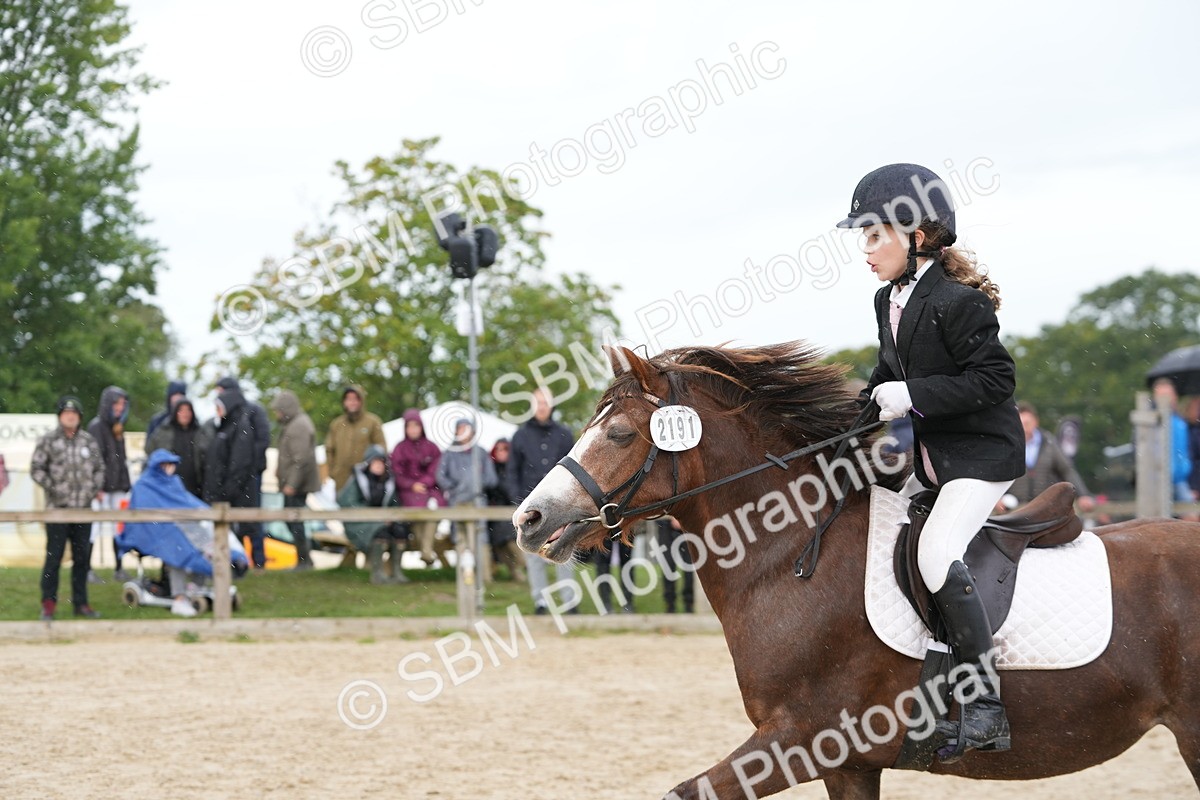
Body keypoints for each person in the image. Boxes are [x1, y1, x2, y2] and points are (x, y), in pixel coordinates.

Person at [841, 163, 1025, 760]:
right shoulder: (886, 300)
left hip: (980, 457)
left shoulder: (958, 301)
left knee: (936, 552)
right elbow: (883, 378)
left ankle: (987, 703)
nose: (865, 251)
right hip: (932, 457)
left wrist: (915, 396)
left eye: (874, 236)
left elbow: (995, 379)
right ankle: (937, 698)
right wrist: (843, 435)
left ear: (917, 236)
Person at [119, 450, 251, 617]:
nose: (170, 469)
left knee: (204, 542)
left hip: (179, 527)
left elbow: (186, 503)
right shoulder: (144, 486)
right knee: (177, 550)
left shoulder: (173, 483)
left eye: (172, 464)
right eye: (166, 465)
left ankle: (197, 585)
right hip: (153, 533)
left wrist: (203, 515)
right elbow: (142, 516)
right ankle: (179, 598)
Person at [31, 396, 105, 620]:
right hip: (57, 510)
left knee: (82, 559)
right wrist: (54, 488)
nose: (70, 417)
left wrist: (92, 490)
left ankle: (81, 604)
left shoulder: (88, 441)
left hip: (83, 510)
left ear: (80, 418)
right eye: (66, 413)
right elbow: (37, 469)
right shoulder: (48, 440)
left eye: (74, 414)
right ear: (60, 416)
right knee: (54, 558)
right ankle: (48, 604)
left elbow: (100, 468)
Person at [506, 387, 577, 614]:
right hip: (530, 505)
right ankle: (541, 602)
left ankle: (569, 601)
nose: (542, 406)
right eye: (537, 402)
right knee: (534, 554)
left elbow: (573, 469)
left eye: (545, 402)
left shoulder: (564, 434)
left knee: (563, 549)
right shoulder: (520, 436)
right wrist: (520, 503)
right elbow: (512, 472)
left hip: (561, 505)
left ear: (552, 405)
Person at [204, 383, 266, 571]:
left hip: (237, 491)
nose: (216, 411)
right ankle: (237, 565)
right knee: (234, 531)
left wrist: (228, 489)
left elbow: (240, 462)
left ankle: (250, 564)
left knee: (246, 528)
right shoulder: (226, 427)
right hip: (229, 490)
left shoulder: (241, 425)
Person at [1003, 402, 1095, 512]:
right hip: (1013, 509)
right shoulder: (1007, 445)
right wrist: (997, 499)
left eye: (1027, 423)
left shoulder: (1049, 443)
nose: (1024, 428)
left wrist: (1082, 495)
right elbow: (997, 472)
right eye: (1020, 423)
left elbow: (1067, 470)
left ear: (1036, 422)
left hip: (1046, 508)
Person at [337, 445, 409, 584]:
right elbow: (347, 503)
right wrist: (376, 517)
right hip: (359, 523)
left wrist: (392, 518)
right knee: (381, 533)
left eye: (381, 461)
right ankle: (377, 574)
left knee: (400, 531)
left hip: (383, 521)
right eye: (375, 461)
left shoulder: (388, 482)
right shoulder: (357, 481)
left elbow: (395, 505)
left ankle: (396, 572)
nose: (378, 465)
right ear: (369, 463)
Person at [436, 418, 498, 578]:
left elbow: (491, 478)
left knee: (481, 537)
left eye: (467, 428)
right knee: (460, 536)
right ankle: (464, 576)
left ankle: (484, 577)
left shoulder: (481, 453)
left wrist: (476, 485)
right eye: (460, 428)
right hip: (457, 502)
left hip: (478, 502)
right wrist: (457, 487)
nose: (464, 431)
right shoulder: (449, 454)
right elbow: (440, 477)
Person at [391, 408, 450, 568]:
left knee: (431, 514)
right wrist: (412, 485)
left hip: (429, 490)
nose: (413, 429)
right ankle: (426, 551)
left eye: (416, 426)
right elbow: (397, 473)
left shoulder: (431, 447)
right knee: (417, 519)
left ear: (421, 427)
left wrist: (423, 483)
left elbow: (435, 469)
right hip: (408, 493)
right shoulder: (399, 449)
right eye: (409, 426)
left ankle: (426, 551)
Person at [271, 390, 321, 570]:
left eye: (278, 410)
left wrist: (292, 483)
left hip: (297, 485)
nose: (276, 414)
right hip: (294, 483)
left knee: (294, 519)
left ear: (286, 409)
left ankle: (304, 560)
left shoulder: (298, 425)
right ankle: (304, 559)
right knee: (292, 519)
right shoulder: (294, 423)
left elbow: (301, 459)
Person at [87, 385, 132, 582]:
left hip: (117, 488)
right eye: (117, 403)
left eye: (123, 403)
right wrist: (97, 487)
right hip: (101, 489)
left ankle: (119, 568)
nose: (121, 407)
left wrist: (125, 484)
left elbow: (121, 460)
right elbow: (94, 461)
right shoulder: (96, 427)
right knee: (94, 527)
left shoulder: (118, 428)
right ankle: (86, 569)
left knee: (118, 527)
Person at [325, 385, 387, 495]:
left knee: (364, 511)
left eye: (355, 399)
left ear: (361, 401)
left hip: (366, 480)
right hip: (341, 479)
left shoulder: (373, 422)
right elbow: (329, 450)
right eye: (349, 399)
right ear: (344, 402)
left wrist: (372, 470)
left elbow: (381, 448)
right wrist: (333, 472)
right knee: (342, 509)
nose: (352, 402)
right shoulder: (337, 424)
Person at [146, 397, 206, 498]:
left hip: (195, 486)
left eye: (188, 410)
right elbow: (150, 451)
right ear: (175, 412)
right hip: (168, 485)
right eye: (181, 410)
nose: (185, 413)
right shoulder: (163, 431)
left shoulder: (200, 432)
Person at [485, 439, 526, 583]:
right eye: (499, 449)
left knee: (511, 541)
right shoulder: (489, 470)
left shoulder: (515, 470)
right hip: (494, 516)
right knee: (502, 544)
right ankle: (516, 571)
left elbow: (514, 492)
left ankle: (522, 567)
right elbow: (492, 490)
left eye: (505, 449)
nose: (502, 452)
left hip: (513, 513)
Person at [1152, 378, 1194, 511]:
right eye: (1162, 396)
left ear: (1175, 396)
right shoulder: (1151, 422)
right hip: (1157, 481)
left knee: (1190, 514)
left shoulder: (1180, 421)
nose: (1166, 399)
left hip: (1180, 479)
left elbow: (1187, 451)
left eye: (1168, 395)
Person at [656, 517, 694, 614]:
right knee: (668, 565)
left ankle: (688, 603)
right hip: (665, 524)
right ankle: (670, 604)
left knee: (689, 567)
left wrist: (679, 519)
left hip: (686, 523)